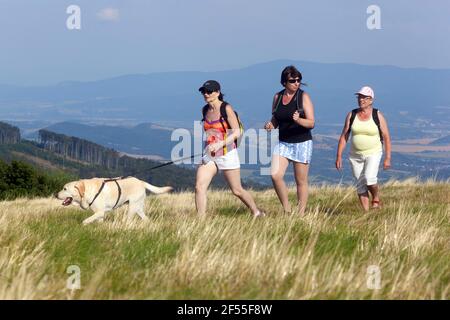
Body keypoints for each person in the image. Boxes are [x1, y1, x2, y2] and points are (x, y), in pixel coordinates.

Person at [195, 80, 265, 217]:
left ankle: (256, 212)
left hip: (227, 153)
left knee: (237, 190)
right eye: (204, 91)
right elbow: (208, 133)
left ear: (218, 93)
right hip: (210, 154)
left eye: (209, 91)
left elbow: (237, 132)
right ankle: (200, 221)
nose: (206, 94)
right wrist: (205, 151)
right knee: (199, 187)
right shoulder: (205, 110)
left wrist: (219, 144)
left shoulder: (226, 108)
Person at [264, 66, 315, 215]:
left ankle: (300, 213)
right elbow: (276, 119)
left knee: (300, 181)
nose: (296, 83)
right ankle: (287, 211)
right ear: (284, 82)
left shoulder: (303, 97)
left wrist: (299, 120)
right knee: (275, 174)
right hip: (284, 142)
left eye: (299, 80)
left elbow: (311, 123)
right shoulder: (277, 97)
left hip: (302, 142)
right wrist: (270, 125)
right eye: (292, 80)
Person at [335, 86, 392, 210]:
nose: (361, 100)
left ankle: (376, 197)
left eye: (364, 98)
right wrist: (339, 155)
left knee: (370, 178)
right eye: (359, 97)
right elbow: (344, 135)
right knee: (360, 184)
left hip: (373, 152)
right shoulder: (352, 114)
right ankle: (366, 214)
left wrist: (387, 157)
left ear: (371, 100)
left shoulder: (378, 115)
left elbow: (386, 137)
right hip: (355, 155)